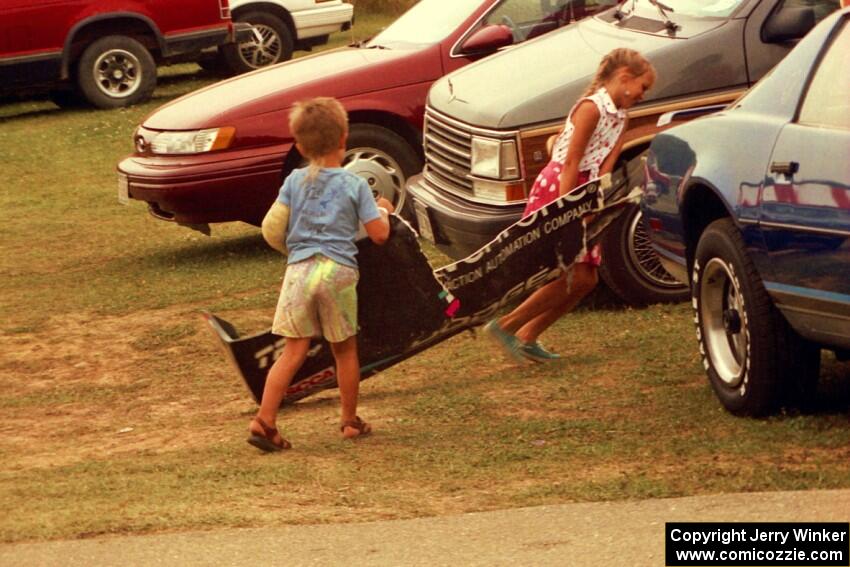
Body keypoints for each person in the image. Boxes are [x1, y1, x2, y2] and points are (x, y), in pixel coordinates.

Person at [484, 48, 655, 363]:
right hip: (562, 188)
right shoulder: (591, 109)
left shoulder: (621, 116)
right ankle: (506, 325)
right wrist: (568, 210)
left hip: (585, 189)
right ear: (624, 78)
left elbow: (606, 164)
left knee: (586, 280)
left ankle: (527, 335)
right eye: (643, 87)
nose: (643, 95)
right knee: (568, 275)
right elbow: (570, 163)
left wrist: (595, 199)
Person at [247, 97, 395, 451]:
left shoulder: (294, 181)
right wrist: (383, 211)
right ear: (344, 137)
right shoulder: (354, 185)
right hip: (337, 272)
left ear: (299, 145)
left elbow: (273, 227)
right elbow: (378, 234)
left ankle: (264, 421)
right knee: (344, 350)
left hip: (299, 272)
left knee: (293, 351)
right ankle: (349, 422)